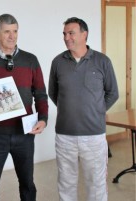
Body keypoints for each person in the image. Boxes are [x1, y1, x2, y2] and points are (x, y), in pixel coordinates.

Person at [0, 14, 49, 201]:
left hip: (25, 133)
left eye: (15, 31)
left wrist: (43, 119)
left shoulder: (31, 60)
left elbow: (40, 94)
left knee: (28, 183)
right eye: (7, 32)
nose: (12, 36)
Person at [48, 17, 119, 201]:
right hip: (65, 136)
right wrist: (70, 108)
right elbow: (53, 93)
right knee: (66, 183)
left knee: (96, 184)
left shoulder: (102, 61)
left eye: (71, 33)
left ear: (84, 34)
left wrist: (95, 111)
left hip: (94, 136)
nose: (66, 37)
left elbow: (113, 93)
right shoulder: (58, 62)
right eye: (64, 34)